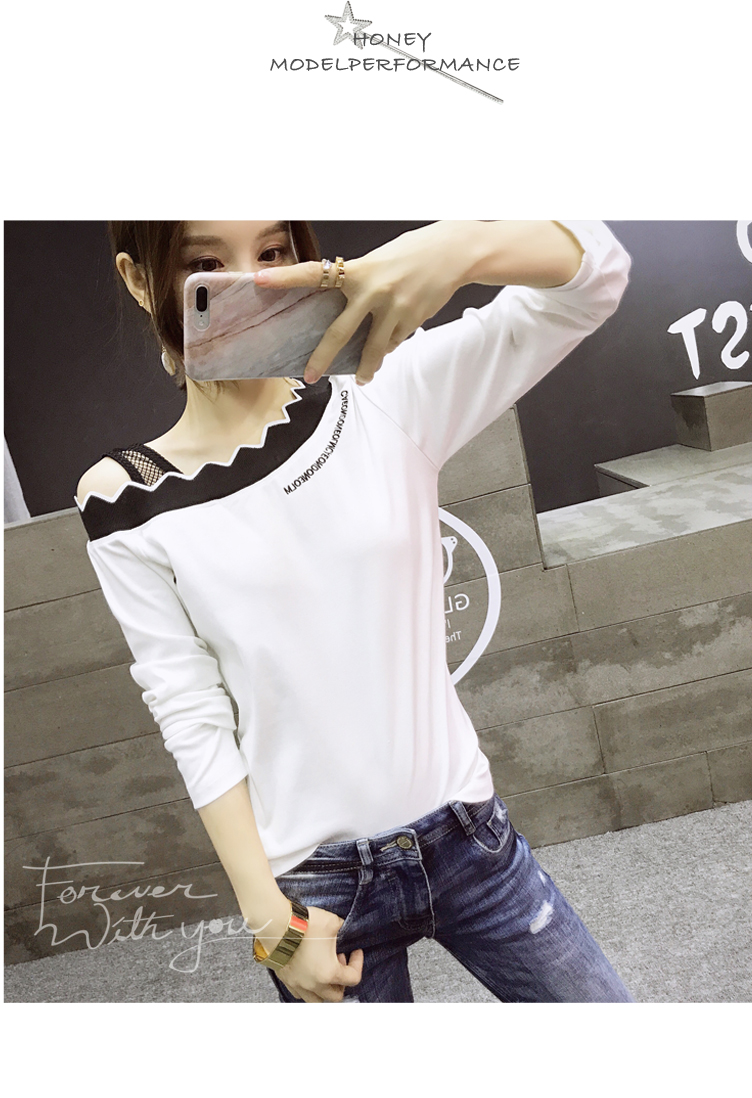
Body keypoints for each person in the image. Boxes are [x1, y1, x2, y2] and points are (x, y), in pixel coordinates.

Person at [75, 219, 635, 1003]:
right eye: (205, 263)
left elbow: (596, 275)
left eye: (274, 252)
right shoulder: (127, 498)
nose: (254, 284)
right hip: (320, 889)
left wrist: (454, 248)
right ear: (140, 279)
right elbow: (190, 713)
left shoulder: (382, 396)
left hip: (468, 837)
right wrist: (272, 925)